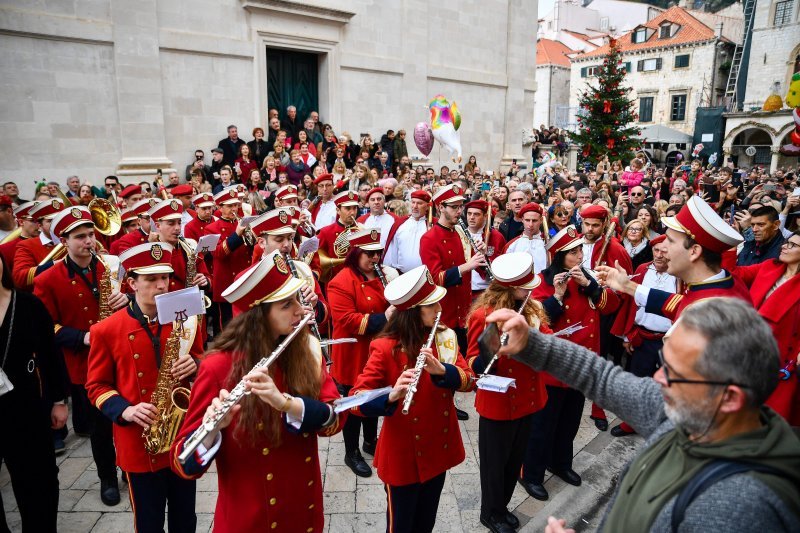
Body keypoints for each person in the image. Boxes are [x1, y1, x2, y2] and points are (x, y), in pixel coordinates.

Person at [492, 298, 800, 532]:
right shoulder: (689, 412)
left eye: (674, 373)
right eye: (663, 365)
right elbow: (601, 377)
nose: (657, 381)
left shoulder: (738, 509)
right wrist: (531, 344)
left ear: (730, 398)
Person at [171, 250, 344, 532]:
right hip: (250, 518)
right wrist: (211, 430)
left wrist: (289, 404)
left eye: (297, 300)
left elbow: (335, 420)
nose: (301, 311)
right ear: (257, 315)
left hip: (303, 511)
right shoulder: (217, 367)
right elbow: (182, 463)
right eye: (287, 305)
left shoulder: (304, 350)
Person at [349, 265, 475, 533]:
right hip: (404, 456)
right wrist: (390, 396)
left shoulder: (444, 339)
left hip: (438, 446)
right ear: (413, 313)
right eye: (432, 306)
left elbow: (469, 380)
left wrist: (443, 371)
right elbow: (356, 400)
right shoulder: (385, 347)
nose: (440, 310)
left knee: (426, 520)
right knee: (401, 525)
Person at [86, 241, 201, 533]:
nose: (162, 285)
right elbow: (96, 385)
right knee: (148, 524)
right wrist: (125, 410)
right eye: (151, 279)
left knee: (185, 519)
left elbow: (203, 357)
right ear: (131, 283)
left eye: (165, 277)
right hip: (139, 442)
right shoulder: (105, 330)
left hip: (181, 436)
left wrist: (197, 365)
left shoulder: (185, 317)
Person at [34, 206, 130, 505]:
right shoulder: (47, 279)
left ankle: (129, 467)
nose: (89, 242)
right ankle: (106, 477)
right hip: (83, 361)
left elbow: (133, 304)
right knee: (101, 426)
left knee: (126, 417)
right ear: (64, 241)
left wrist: (127, 298)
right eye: (80, 237)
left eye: (91, 235)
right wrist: (82, 336)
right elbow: (43, 326)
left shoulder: (109, 268)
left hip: (121, 355)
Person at [520, 226, 619, 501]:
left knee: (570, 421)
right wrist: (558, 296)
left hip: (581, 365)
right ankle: (531, 473)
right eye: (573, 251)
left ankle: (560, 462)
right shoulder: (542, 281)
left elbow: (611, 306)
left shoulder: (588, 278)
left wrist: (592, 285)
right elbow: (538, 323)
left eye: (580, 250)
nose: (579, 255)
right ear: (560, 255)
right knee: (544, 424)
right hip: (554, 367)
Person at [467, 253, 550, 533]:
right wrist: (494, 342)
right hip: (499, 402)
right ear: (510, 288)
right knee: (495, 466)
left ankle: (502, 507)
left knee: (514, 462)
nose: (531, 291)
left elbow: (546, 337)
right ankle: (491, 513)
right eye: (525, 286)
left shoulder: (531, 307)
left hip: (528, 397)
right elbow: (473, 364)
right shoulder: (484, 315)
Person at [599, 196, 750, 321]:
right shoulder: (722, 284)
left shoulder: (707, 318)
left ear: (694, 251)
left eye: (670, 241)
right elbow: (680, 303)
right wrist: (628, 286)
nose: (662, 248)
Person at [0, 254, 66, 533]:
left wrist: (60, 400)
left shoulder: (27, 305)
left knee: (38, 484)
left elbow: (51, 356)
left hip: (27, 407)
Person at [327, 228, 397, 476]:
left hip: (376, 349)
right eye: (369, 254)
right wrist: (385, 316)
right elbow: (347, 320)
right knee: (354, 403)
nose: (375, 258)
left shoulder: (380, 275)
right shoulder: (340, 282)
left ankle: (370, 441)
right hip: (352, 352)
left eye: (378, 253)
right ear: (355, 254)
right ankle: (351, 452)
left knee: (375, 394)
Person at [609, 235, 678, 436]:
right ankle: (631, 422)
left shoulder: (679, 274)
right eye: (656, 250)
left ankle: (661, 424)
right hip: (643, 336)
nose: (659, 255)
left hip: (669, 340)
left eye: (664, 251)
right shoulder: (642, 270)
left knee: (667, 386)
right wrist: (628, 335)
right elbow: (631, 304)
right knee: (638, 381)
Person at [733, 230, 800, 426]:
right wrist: (728, 246)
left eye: (793, 245)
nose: (785, 246)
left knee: (772, 415)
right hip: (748, 345)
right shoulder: (770, 266)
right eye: (786, 243)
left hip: (783, 355)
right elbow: (736, 273)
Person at [204, 189, 253, 329]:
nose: (234, 209)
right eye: (229, 206)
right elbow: (218, 253)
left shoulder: (242, 222)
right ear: (219, 208)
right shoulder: (211, 228)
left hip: (244, 277)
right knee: (227, 324)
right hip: (227, 281)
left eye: (236, 205)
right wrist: (237, 234)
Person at [12, 198, 63, 290]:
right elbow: (19, 277)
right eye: (50, 221)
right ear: (40, 226)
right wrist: (55, 264)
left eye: (59, 219)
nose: (56, 223)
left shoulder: (76, 238)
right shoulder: (26, 245)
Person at [310, 190, 359, 282]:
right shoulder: (326, 232)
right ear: (338, 210)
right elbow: (317, 259)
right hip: (335, 279)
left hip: (358, 279)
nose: (352, 212)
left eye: (354, 208)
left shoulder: (362, 229)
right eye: (348, 208)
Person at [465, 199, 506, 296]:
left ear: (485, 216)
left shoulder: (497, 237)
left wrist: (486, 255)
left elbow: (501, 267)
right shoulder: (458, 234)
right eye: (469, 213)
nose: (471, 217)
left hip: (486, 290)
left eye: (476, 214)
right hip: (464, 288)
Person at [383, 190, 430, 274]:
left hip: (426, 276)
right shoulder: (400, 224)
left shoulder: (432, 226)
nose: (415, 206)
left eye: (419, 203)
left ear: (427, 206)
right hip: (402, 275)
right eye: (413, 202)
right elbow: (392, 250)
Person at [503, 203, 547, 274]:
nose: (530, 225)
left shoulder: (548, 244)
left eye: (534, 220)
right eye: (527, 220)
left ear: (541, 220)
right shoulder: (511, 245)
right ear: (522, 220)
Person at [0, 201, 38, 272]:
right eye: (33, 220)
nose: (38, 224)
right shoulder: (5, 249)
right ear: (21, 222)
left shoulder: (50, 242)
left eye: (40, 220)